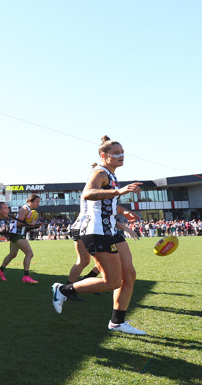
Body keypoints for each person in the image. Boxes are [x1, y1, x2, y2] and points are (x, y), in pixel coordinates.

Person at [52, 135, 146, 335]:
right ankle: (62, 290)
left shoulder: (111, 175)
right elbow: (88, 193)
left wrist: (122, 211)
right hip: (97, 232)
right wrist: (119, 192)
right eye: (116, 153)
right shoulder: (99, 172)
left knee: (129, 275)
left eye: (123, 153)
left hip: (110, 230)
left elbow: (106, 202)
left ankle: (117, 322)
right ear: (104, 156)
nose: (121, 156)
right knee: (112, 282)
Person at [0, 194, 42, 283]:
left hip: (15, 233)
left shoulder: (28, 209)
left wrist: (35, 225)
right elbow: (18, 224)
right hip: (17, 234)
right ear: (30, 201)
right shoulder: (25, 209)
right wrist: (31, 224)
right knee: (29, 253)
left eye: (39, 202)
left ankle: (0, 271)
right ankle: (26, 276)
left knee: (13, 254)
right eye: (37, 202)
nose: (38, 204)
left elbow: (23, 224)